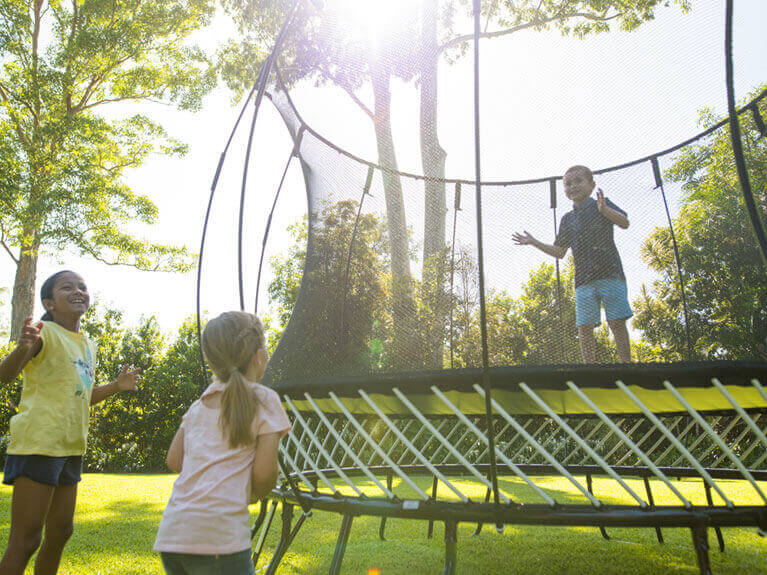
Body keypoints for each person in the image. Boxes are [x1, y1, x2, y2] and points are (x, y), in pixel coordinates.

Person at [0, 270, 140, 575]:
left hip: (70, 447)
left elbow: (82, 395)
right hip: (39, 442)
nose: (78, 291)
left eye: (82, 286)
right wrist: (23, 347)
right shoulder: (42, 332)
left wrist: (117, 385)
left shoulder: (87, 344)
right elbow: (4, 376)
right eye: (67, 287)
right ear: (49, 303)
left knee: (61, 532)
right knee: (26, 540)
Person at [154, 311, 290, 575]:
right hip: (219, 538)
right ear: (258, 355)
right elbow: (264, 474)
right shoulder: (265, 400)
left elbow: (174, 460)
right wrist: (251, 494)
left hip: (174, 532)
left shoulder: (199, 405)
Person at [512, 165, 632, 363]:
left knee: (616, 322)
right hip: (584, 281)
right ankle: (590, 370)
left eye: (578, 181)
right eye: (568, 184)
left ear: (592, 185)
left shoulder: (602, 204)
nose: (573, 186)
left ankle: (627, 366)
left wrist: (605, 210)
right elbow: (559, 251)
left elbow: (625, 222)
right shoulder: (567, 219)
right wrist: (534, 242)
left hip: (611, 274)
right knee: (584, 327)